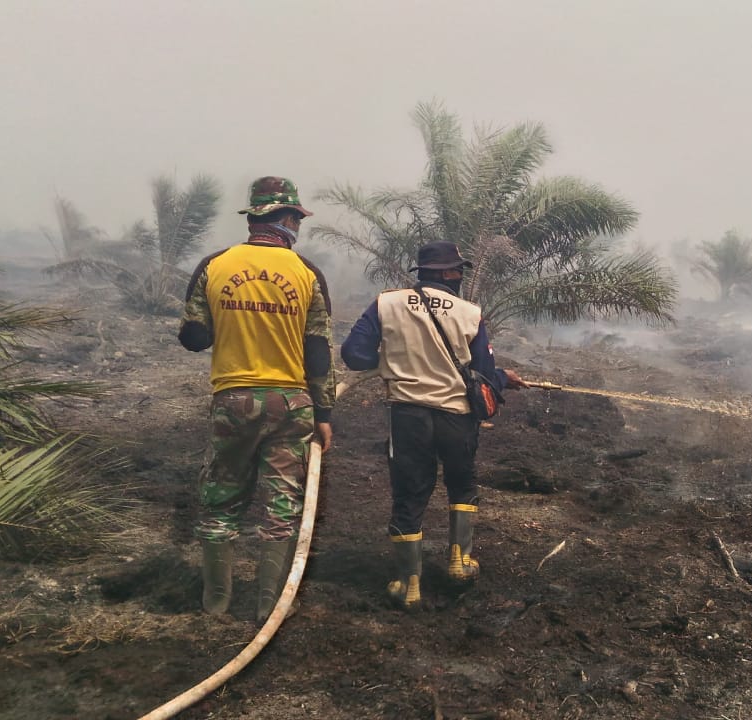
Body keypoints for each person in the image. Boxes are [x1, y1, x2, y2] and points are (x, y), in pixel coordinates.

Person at [178, 176, 336, 621]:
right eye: (297, 220)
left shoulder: (215, 265)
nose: (298, 227)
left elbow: (193, 338)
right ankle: (271, 607)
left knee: (220, 500)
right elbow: (319, 352)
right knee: (282, 505)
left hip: (233, 400)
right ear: (286, 219)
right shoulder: (307, 274)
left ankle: (216, 604)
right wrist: (324, 414)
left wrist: (232, 317)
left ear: (253, 218)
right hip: (290, 404)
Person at [340, 241, 526, 610]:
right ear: (449, 273)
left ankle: (408, 584)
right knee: (461, 482)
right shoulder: (470, 313)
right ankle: (460, 563)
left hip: (408, 415)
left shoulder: (386, 303)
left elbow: (354, 355)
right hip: (456, 415)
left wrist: (395, 357)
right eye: (459, 270)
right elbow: (485, 375)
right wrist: (505, 378)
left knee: (410, 493)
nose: (461, 276)